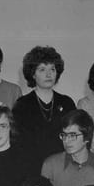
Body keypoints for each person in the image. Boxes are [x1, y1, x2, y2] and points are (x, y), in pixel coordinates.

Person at [12, 45, 76, 176]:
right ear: (33, 74)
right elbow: (17, 144)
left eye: (52, 69)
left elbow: (75, 138)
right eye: (42, 69)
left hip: (63, 170)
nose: (48, 74)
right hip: (31, 171)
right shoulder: (22, 105)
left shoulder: (67, 103)